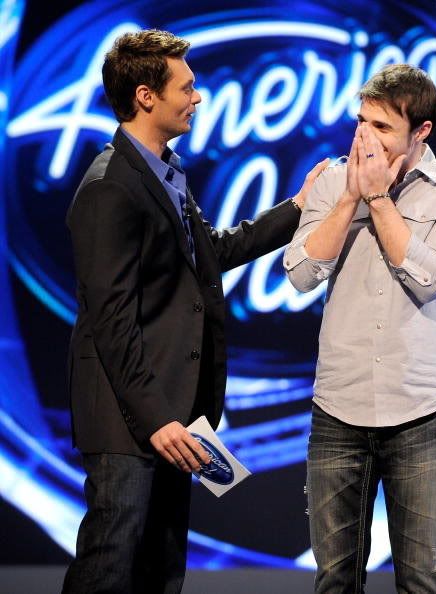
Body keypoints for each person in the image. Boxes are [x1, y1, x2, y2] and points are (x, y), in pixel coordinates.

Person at [61, 29, 327, 594]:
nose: (198, 96)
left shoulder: (166, 173)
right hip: (131, 421)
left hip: (172, 413)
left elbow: (216, 252)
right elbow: (112, 321)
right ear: (145, 96)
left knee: (160, 572)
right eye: (185, 86)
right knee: (109, 567)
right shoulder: (110, 188)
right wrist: (156, 420)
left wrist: (300, 206)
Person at [284, 64, 436, 593]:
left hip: (419, 410)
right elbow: (300, 274)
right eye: (361, 122)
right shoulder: (332, 182)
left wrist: (377, 198)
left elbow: (431, 279)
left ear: (422, 132)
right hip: (338, 407)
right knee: (334, 579)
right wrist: (350, 196)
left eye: (382, 127)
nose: (365, 138)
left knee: (421, 579)